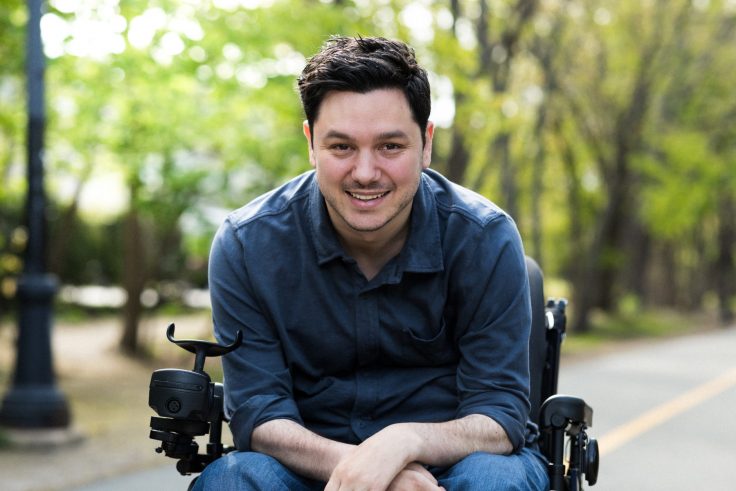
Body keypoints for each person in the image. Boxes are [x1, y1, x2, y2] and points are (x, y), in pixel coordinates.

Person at [194, 36, 549, 490]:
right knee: (234, 479)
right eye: (341, 147)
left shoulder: (484, 238)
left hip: (456, 462)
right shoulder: (246, 245)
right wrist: (373, 472)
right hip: (307, 467)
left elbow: (499, 415)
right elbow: (259, 414)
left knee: (496, 480)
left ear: (426, 143)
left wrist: (401, 443)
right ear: (311, 143)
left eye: (390, 147)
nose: (365, 172)